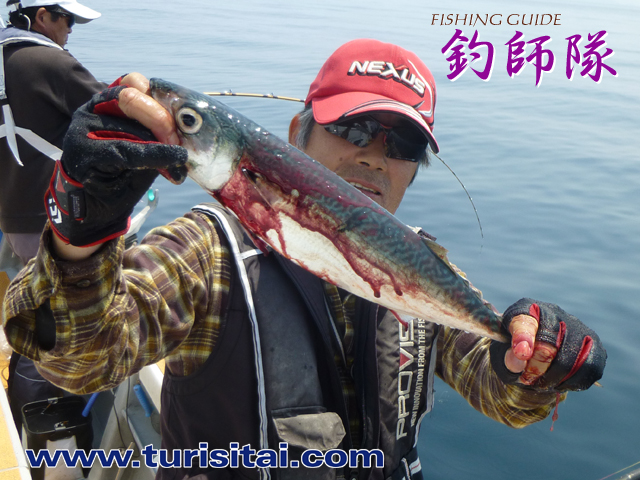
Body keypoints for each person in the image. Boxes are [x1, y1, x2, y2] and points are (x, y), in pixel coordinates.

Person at [2, 39, 606, 480]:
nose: (374, 156)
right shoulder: (209, 252)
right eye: (355, 128)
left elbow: (498, 391)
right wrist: (81, 233)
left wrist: (537, 360)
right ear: (297, 134)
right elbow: (80, 359)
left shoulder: (418, 267)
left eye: (402, 144)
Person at [0, 0, 105, 436]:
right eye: (68, 18)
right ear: (41, 16)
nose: (71, 28)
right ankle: (41, 413)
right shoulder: (49, 61)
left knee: (31, 301)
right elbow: (110, 110)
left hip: (11, 214)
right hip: (48, 218)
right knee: (55, 322)